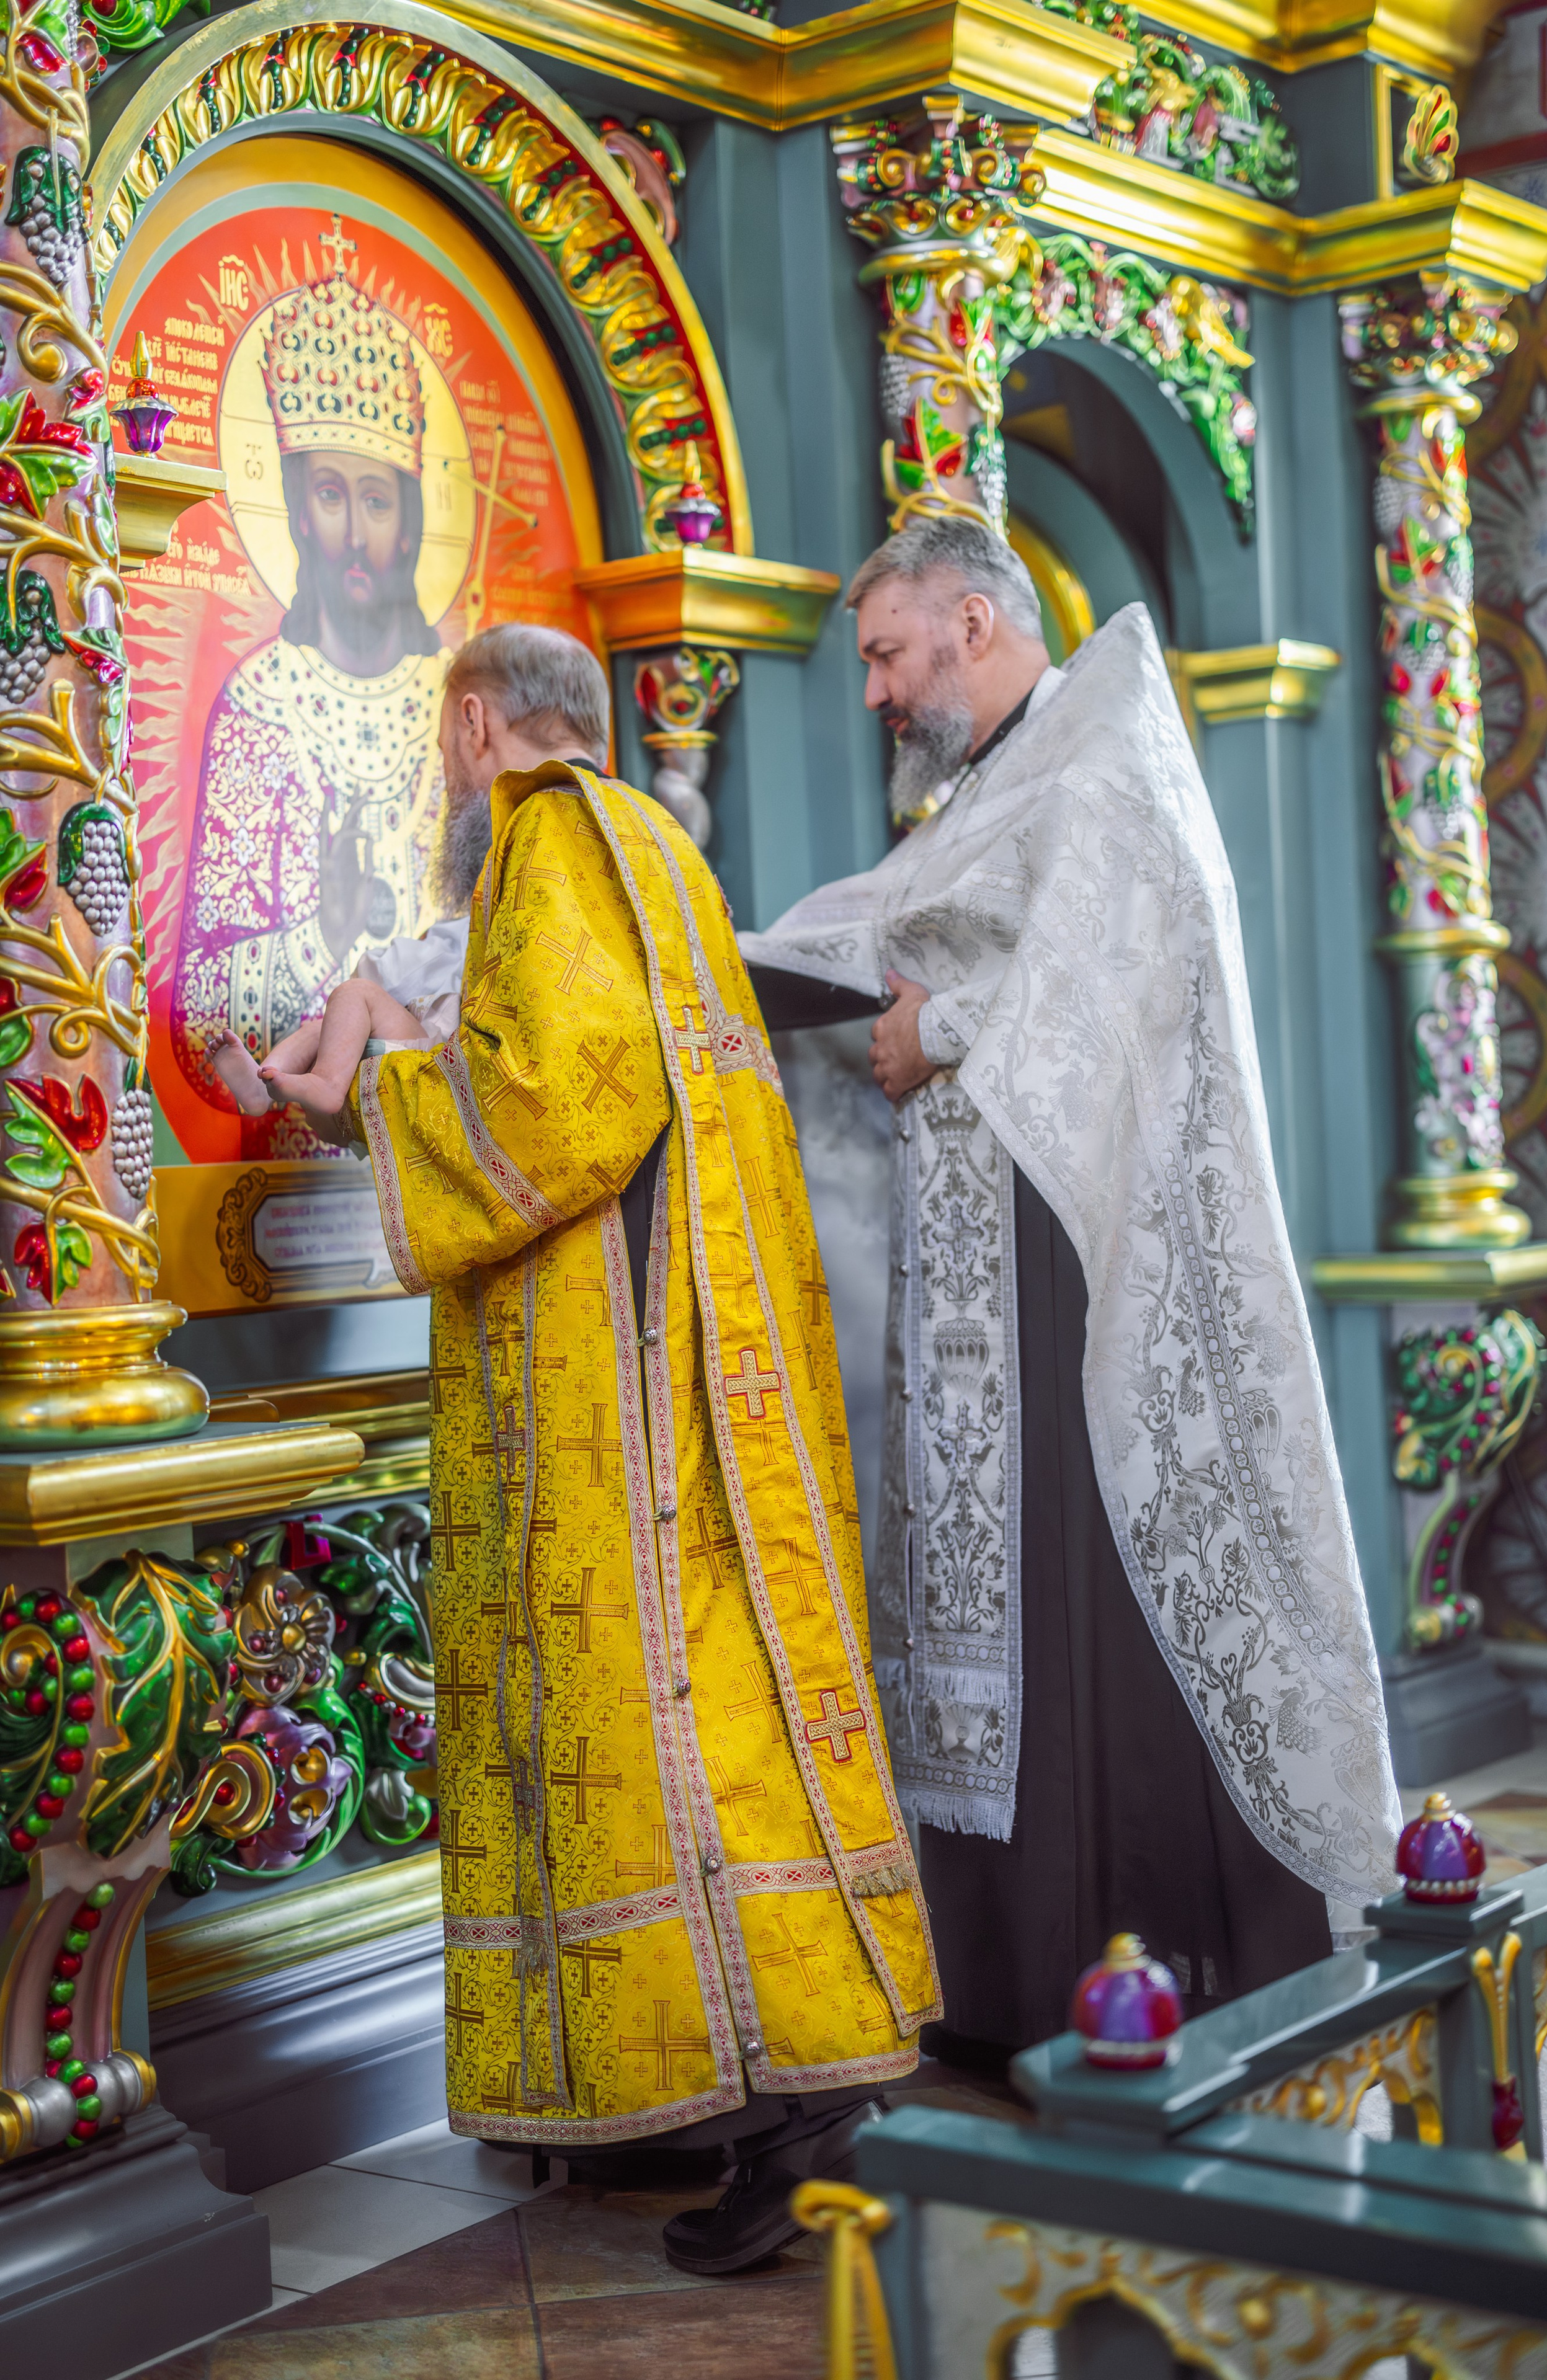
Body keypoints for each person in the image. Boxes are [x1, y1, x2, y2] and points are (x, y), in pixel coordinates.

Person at [741, 518, 1400, 2064]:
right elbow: (886, 931)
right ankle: (1003, 1979)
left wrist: (948, 1024)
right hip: (983, 1268)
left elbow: (1132, 960)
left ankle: (1135, 1964)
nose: (876, 696)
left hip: (1082, 1260)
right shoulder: (994, 783)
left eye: (890, 658)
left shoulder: (1105, 751)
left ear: (970, 622)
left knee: (1097, 1585)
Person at [348, 621, 940, 2272]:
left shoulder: (551, 839)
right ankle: (793, 2097)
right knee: (724, 1725)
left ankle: (776, 2115)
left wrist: (372, 1091)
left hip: (621, 1390)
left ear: (477, 727)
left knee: (665, 1732)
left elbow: (560, 1106)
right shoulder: (657, 841)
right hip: (696, 1364)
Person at [174, 267, 450, 1155]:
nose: (358, 534)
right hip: (299, 1153)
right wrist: (320, 934)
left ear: (409, 519)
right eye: (331, 495)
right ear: (295, 509)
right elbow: (202, 996)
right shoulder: (263, 706)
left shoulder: (456, 711)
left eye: (377, 499)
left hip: (433, 1100)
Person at [209, 913, 469, 1126]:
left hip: (439, 1048)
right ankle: (259, 1088)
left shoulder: (472, 931)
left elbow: (407, 972)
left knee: (354, 993)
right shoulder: (468, 924)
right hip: (419, 1030)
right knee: (320, 1029)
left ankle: (327, 1082)